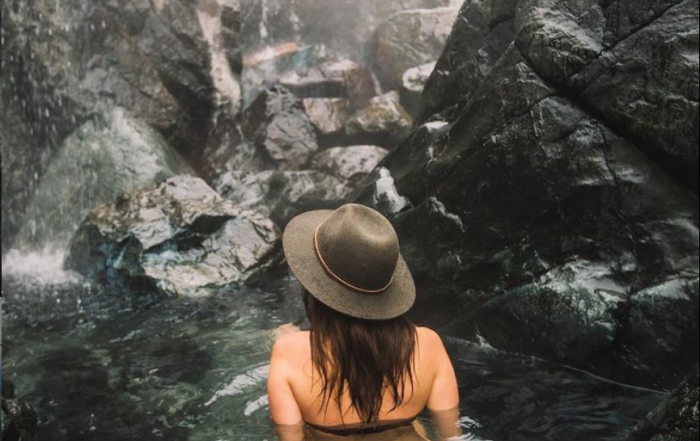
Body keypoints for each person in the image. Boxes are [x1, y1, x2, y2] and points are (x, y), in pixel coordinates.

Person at [268, 204, 461, 440]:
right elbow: (451, 433)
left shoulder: (287, 352)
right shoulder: (429, 344)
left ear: (316, 286)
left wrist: (288, 342)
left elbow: (290, 435)